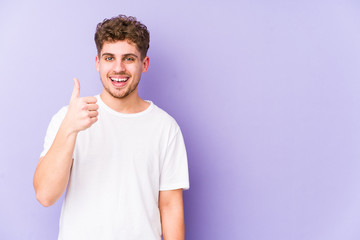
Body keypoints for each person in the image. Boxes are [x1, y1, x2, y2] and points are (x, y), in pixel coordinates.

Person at [33, 15, 189, 240]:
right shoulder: (69, 118)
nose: (118, 68)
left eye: (128, 58)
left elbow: (170, 206)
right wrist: (69, 129)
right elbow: (45, 196)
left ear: (144, 64)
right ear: (97, 62)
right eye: (109, 58)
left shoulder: (166, 128)